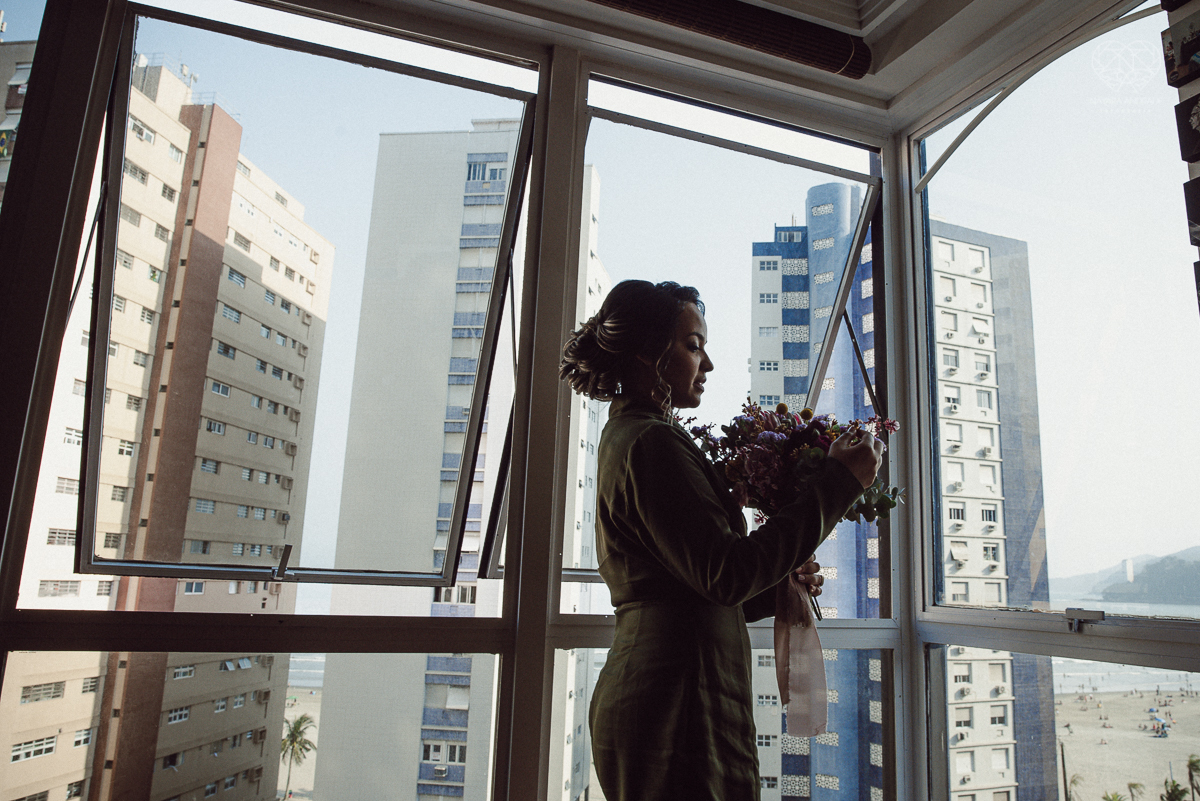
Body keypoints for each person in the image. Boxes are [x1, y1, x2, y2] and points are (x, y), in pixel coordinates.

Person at [560, 280, 882, 801]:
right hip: (674, 700)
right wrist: (839, 483)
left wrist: (774, 586)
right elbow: (726, 574)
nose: (706, 364)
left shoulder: (638, 434)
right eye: (692, 346)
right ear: (648, 352)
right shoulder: (652, 442)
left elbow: (696, 585)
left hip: (675, 689)